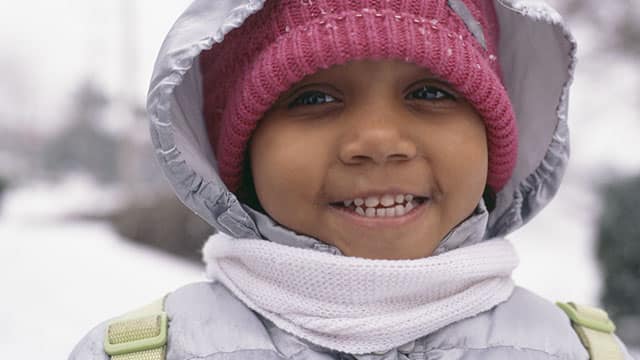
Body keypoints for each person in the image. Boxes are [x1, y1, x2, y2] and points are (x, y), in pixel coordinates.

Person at [70, 0, 636, 359]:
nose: (379, 141)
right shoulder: (151, 353)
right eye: (314, 98)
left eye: (430, 92)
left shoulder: (578, 352)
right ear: (237, 155)